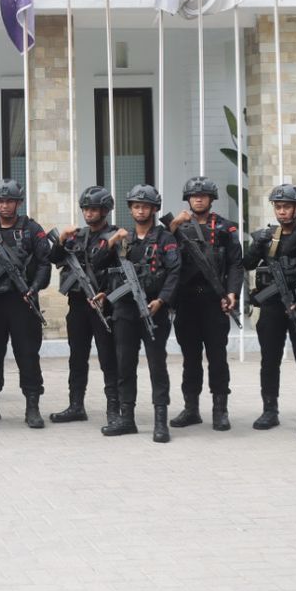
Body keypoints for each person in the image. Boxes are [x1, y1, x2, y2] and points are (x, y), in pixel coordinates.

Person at [0, 179, 53, 428]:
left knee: (27, 355)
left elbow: (44, 263)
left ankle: (32, 407)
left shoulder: (31, 229)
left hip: (22, 302)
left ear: (19, 203)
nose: (4, 205)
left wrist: (34, 288)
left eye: (9, 201)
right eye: (0, 201)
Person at [100, 185, 180, 443]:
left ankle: (160, 421)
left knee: (157, 365)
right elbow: (99, 264)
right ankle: (127, 419)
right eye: (136, 206)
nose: (141, 210)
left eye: (145, 206)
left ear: (154, 209)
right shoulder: (123, 237)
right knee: (124, 364)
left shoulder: (165, 239)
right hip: (125, 310)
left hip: (153, 309)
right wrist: (110, 242)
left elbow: (174, 272)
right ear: (130, 209)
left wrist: (162, 299)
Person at [164, 177, 243, 431]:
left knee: (218, 357)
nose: (198, 199)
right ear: (188, 199)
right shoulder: (177, 227)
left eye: (203, 195)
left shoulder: (225, 228)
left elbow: (235, 264)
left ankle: (220, 410)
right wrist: (174, 225)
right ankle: (191, 409)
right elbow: (161, 249)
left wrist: (232, 293)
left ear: (211, 199)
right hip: (187, 300)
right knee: (190, 358)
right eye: (194, 196)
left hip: (214, 300)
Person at [241, 184, 296, 430]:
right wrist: (256, 245)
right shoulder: (268, 237)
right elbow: (247, 264)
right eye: (278, 207)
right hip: (272, 306)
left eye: (287, 207)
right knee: (269, 360)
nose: (282, 211)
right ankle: (269, 410)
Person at [47, 186, 119, 425]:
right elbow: (54, 258)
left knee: (108, 359)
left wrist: (108, 294)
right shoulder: (77, 236)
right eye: (86, 209)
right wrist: (61, 239)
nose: (88, 213)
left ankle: (113, 409)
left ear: (105, 210)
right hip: (78, 305)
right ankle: (76, 406)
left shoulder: (116, 236)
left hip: (104, 305)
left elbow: (125, 271)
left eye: (94, 209)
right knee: (77, 358)